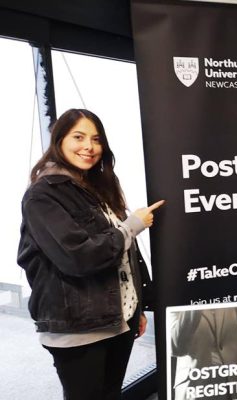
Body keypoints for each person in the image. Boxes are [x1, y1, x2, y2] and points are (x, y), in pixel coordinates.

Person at [17, 108, 164, 400]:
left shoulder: (97, 187)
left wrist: (135, 308)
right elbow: (78, 257)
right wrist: (132, 225)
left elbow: (125, 256)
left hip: (118, 320)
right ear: (59, 140)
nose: (89, 147)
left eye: (96, 139)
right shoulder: (42, 195)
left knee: (111, 394)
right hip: (79, 328)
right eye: (78, 137)